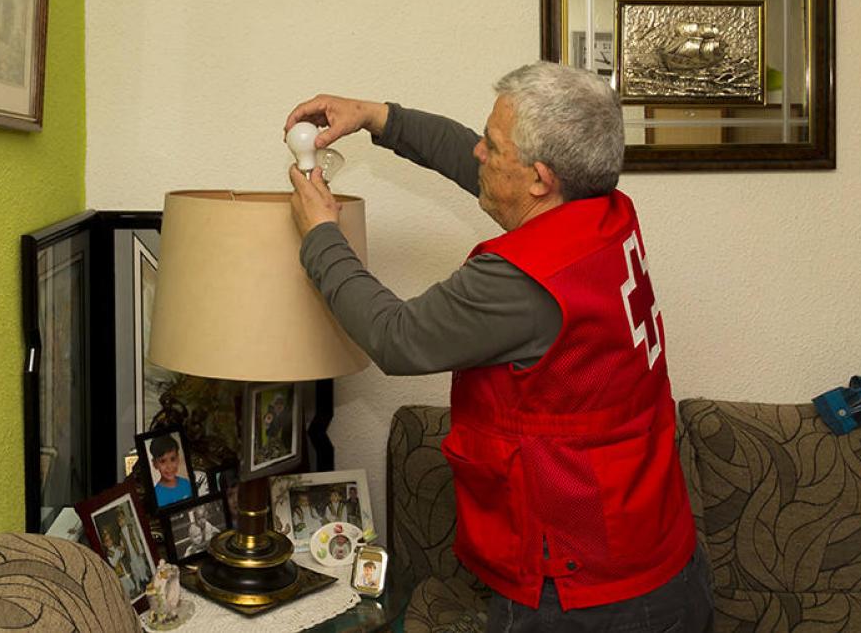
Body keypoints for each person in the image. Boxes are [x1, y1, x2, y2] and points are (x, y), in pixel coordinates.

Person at [284, 62, 711, 632]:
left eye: (493, 144)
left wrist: (320, 237)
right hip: (664, 559)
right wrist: (378, 118)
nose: (478, 152)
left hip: (584, 596)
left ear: (540, 178)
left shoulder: (522, 282)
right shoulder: (603, 209)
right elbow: (479, 164)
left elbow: (398, 338)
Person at [149, 435, 193, 507]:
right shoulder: (155, 495)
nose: (169, 466)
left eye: (172, 459)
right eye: (163, 461)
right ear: (155, 464)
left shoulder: (187, 484)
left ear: (178, 458)